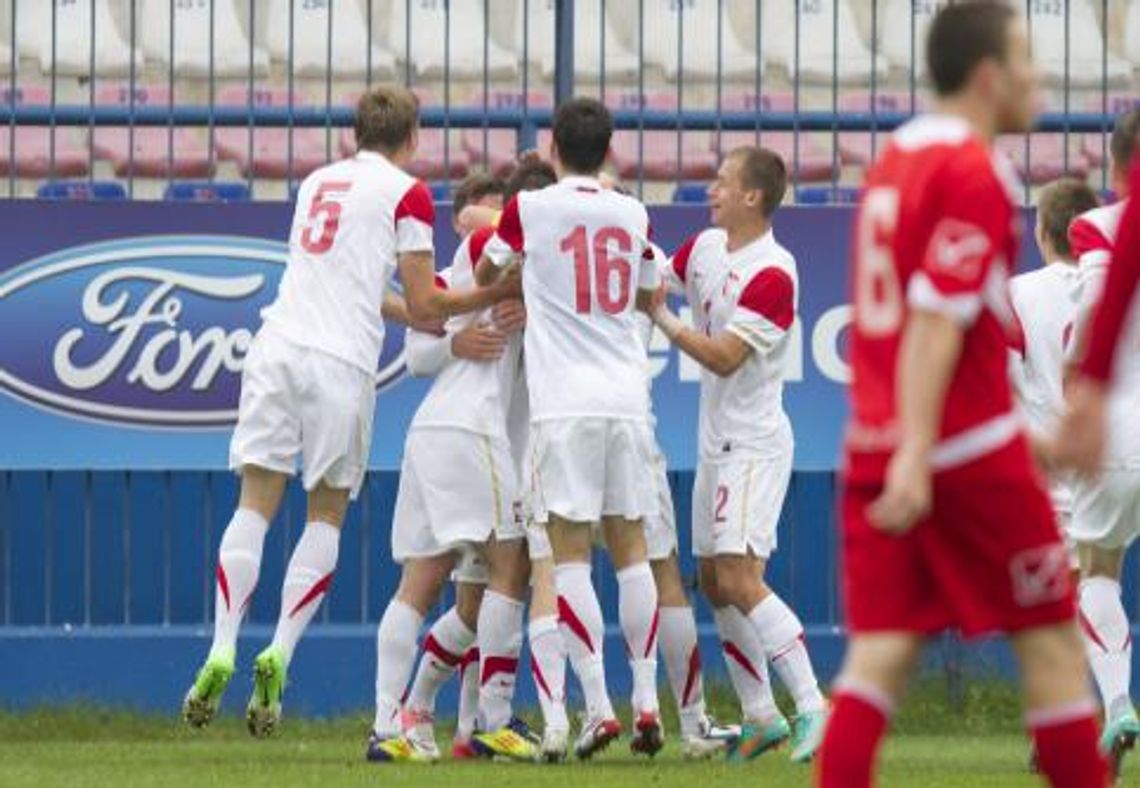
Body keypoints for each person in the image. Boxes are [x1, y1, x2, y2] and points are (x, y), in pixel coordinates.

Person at [816, 4, 1108, 787]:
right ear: (988, 76)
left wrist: (917, 445)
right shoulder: (974, 171)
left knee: (876, 663)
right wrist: (925, 449)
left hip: (879, 445)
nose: (1039, 76)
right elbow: (935, 322)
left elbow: (933, 335)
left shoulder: (894, 162)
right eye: (1026, 59)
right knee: (1053, 651)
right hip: (963, 459)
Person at [181, 85, 520, 738]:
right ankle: (280, 651)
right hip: (340, 363)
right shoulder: (408, 193)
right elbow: (424, 304)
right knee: (325, 514)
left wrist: (419, 310)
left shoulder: (316, 183)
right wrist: (494, 292)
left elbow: (358, 286)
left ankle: (222, 644)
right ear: (413, 136)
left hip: (277, 344)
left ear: (354, 133)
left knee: (254, 504)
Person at [476, 97, 663, 760]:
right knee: (633, 548)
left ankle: (600, 706)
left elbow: (486, 270)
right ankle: (647, 699)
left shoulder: (530, 207)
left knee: (570, 554)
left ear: (553, 146)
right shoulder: (632, 212)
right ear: (609, 150)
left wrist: (534, 275)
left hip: (564, 402)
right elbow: (649, 289)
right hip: (626, 395)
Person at [650, 146, 827, 763]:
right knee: (714, 582)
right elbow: (655, 276)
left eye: (722, 182)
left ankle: (814, 705)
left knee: (741, 578)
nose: (711, 190)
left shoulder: (774, 273)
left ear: (752, 196)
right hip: (714, 441)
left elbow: (725, 356)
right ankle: (760, 716)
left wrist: (663, 320)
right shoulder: (704, 248)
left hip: (753, 445)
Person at [367, 165, 542, 763]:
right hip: (471, 429)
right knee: (513, 562)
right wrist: (456, 343)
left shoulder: (496, 268)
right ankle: (495, 719)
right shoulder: (489, 249)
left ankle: (393, 724)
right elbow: (420, 352)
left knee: (427, 584)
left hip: (438, 434)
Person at [1051, 110, 1140, 775]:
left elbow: (1095, 304)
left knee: (1097, 568)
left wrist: (1077, 380)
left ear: (1115, 166)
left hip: (1120, 421)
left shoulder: (1101, 226)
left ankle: (1117, 704)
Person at [1008, 178, 1099, 535]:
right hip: (1110, 487)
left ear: (1041, 233)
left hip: (1046, 494)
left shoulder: (1016, 294)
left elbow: (998, 388)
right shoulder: (1117, 293)